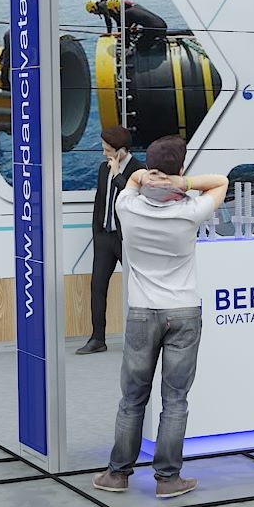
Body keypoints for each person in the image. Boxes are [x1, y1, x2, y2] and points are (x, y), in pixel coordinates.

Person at [91, 136, 227, 499]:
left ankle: (117, 474)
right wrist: (182, 182)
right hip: (183, 311)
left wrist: (147, 175)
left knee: (132, 398)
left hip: (141, 312)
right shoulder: (191, 210)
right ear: (179, 170)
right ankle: (168, 480)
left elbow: (132, 180)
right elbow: (221, 182)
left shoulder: (126, 206)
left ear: (149, 170)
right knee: (175, 400)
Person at [76, 126, 143, 355]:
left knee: (137, 287)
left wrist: (117, 175)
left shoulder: (138, 170)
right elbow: (100, 200)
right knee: (97, 286)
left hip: (126, 238)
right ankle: (97, 338)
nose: (104, 153)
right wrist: (97, 231)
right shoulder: (103, 168)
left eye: (108, 150)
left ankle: (140, 338)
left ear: (122, 151)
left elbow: (133, 200)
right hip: (105, 235)